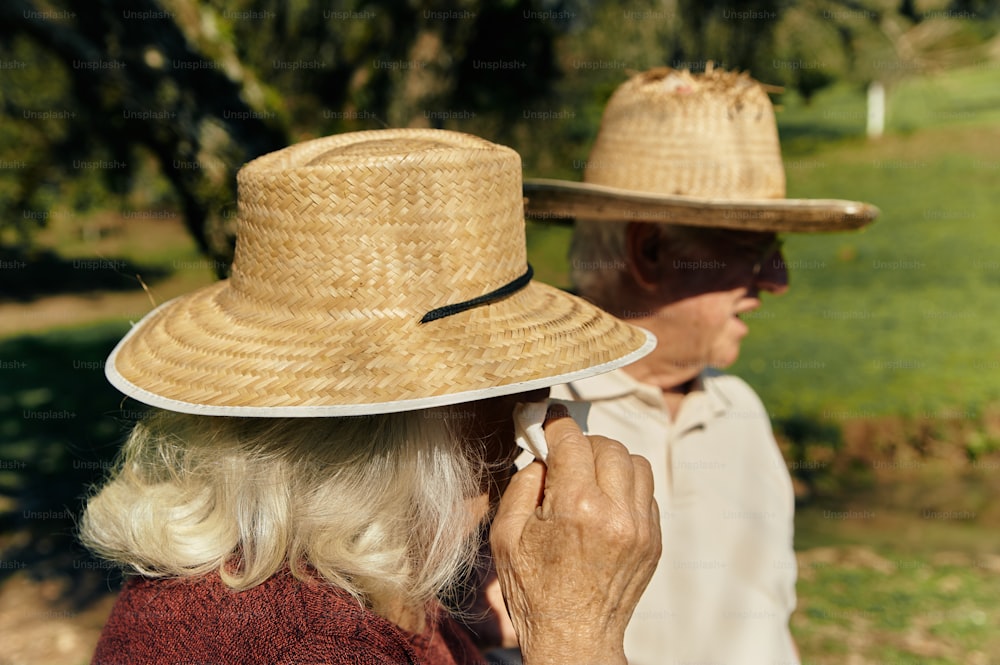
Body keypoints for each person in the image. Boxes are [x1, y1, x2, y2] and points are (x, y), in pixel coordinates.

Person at [80, 128, 661, 665]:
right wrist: (577, 633)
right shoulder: (301, 645)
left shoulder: (345, 582)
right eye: (507, 377)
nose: (542, 392)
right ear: (394, 428)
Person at [519, 66, 879, 665]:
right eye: (753, 251)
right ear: (650, 250)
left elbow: (769, 619)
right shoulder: (521, 421)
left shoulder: (740, 410)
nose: (778, 281)